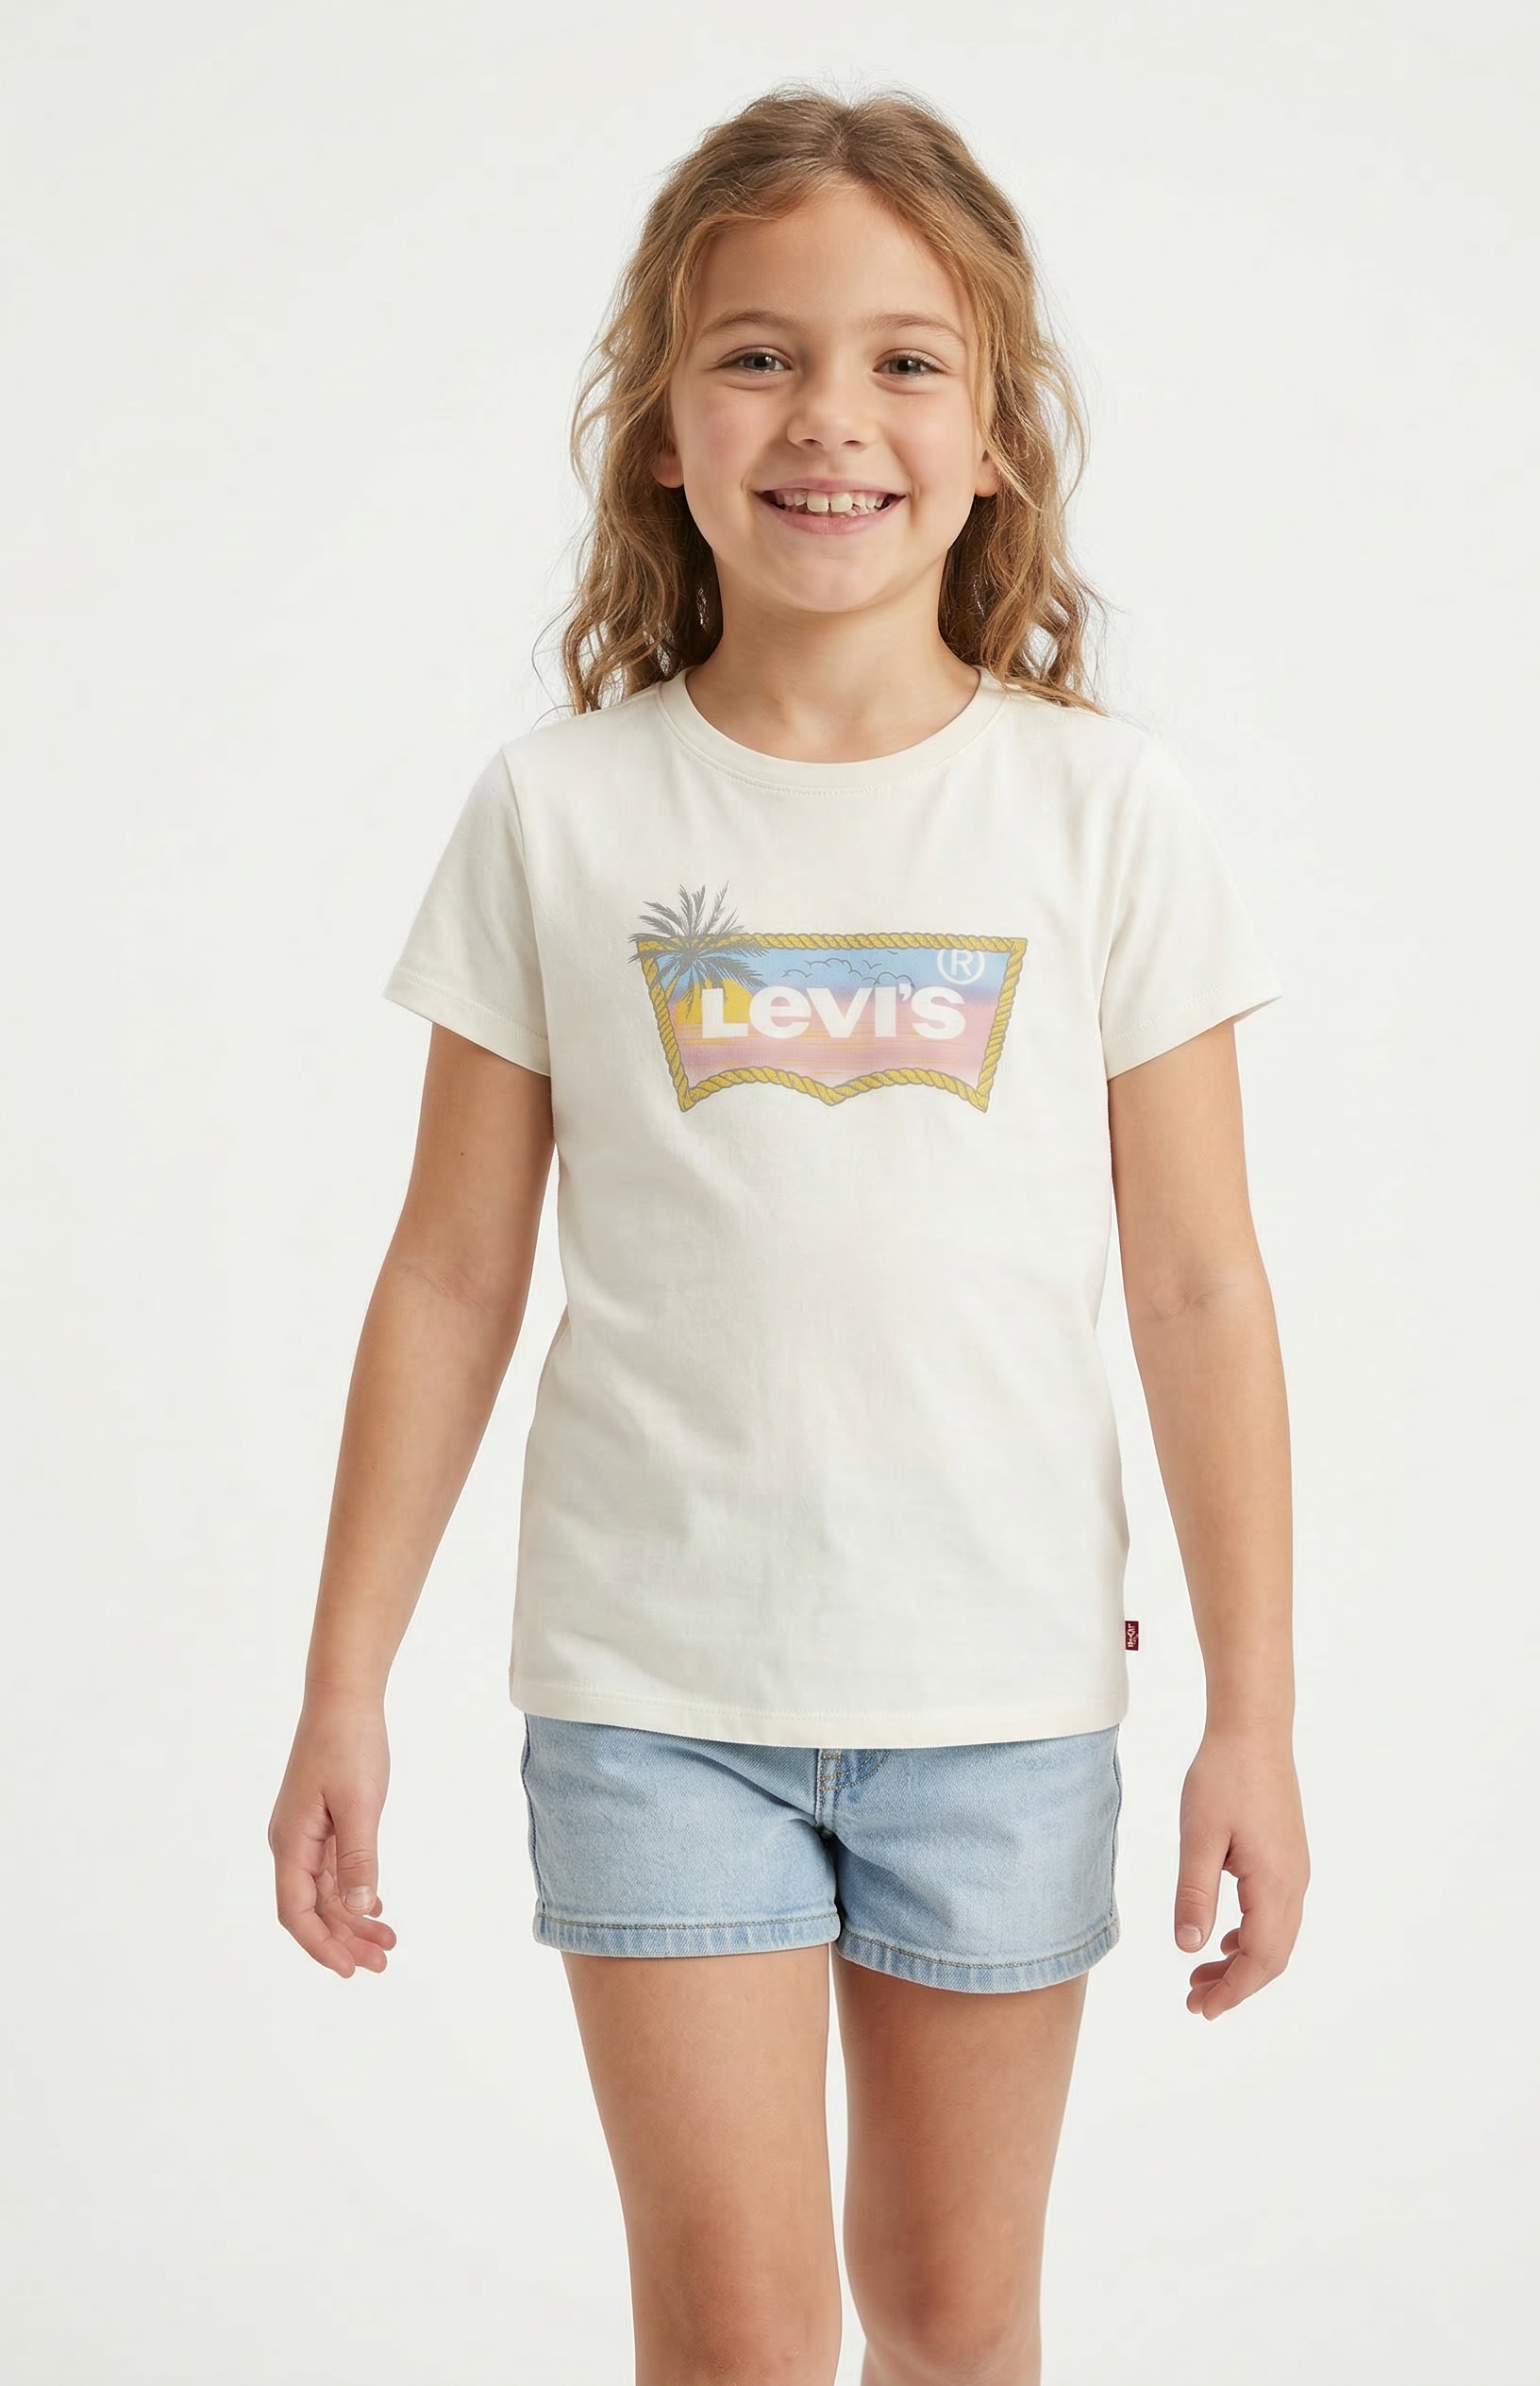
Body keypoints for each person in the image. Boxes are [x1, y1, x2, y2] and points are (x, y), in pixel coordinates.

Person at [269, 82, 1310, 2386]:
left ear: (993, 434)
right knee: (736, 2341)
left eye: (901, 360)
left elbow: (1195, 1284)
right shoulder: (558, 814)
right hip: (655, 1700)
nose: (827, 415)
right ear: (660, 429)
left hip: (1000, 1701)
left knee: (948, 2318)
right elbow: (448, 1273)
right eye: (756, 355)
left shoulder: (1101, 813)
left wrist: (1252, 1715)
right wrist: (343, 1683)